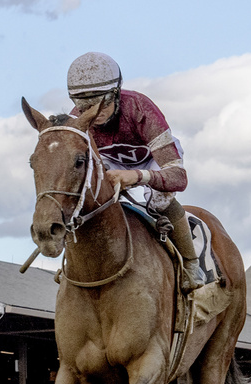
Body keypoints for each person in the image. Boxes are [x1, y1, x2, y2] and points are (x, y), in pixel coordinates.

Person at [66, 51, 206, 291]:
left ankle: (192, 264)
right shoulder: (76, 122)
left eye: (104, 102)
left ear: (117, 93)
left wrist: (139, 176)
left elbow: (178, 179)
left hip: (152, 159)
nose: (96, 112)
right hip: (111, 162)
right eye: (85, 105)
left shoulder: (140, 108)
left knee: (161, 199)